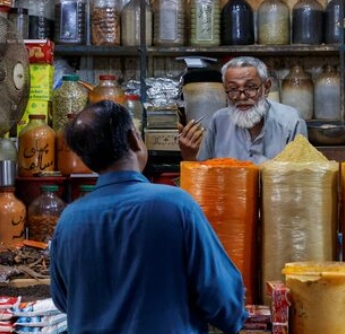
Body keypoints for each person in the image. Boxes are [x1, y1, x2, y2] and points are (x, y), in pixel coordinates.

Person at [50, 100, 247, 334]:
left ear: (85, 158)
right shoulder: (175, 204)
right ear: (133, 139)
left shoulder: (69, 219)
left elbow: (64, 300)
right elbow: (221, 298)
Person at [178, 56, 308, 164]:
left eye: (250, 87)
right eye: (233, 89)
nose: (241, 96)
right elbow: (204, 174)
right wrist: (189, 156)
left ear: (266, 88)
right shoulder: (219, 120)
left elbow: (299, 179)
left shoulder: (291, 122)